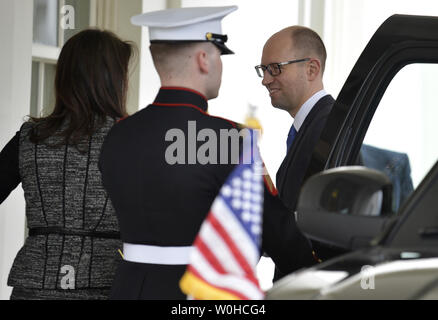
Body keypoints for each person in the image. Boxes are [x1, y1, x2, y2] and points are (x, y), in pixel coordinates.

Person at [99, 6, 316, 300]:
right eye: (219, 54)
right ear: (204, 59)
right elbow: (277, 233)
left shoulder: (119, 135)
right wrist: (319, 265)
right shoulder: (226, 138)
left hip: (128, 289)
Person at [0, 29, 135, 300]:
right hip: (109, 283)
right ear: (112, 80)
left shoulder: (30, 137)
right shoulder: (133, 137)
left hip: (35, 284)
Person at [256, 26, 336, 279]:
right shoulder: (311, 126)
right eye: (264, 70)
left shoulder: (328, 129)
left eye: (275, 68)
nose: (266, 79)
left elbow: (320, 228)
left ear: (311, 69)